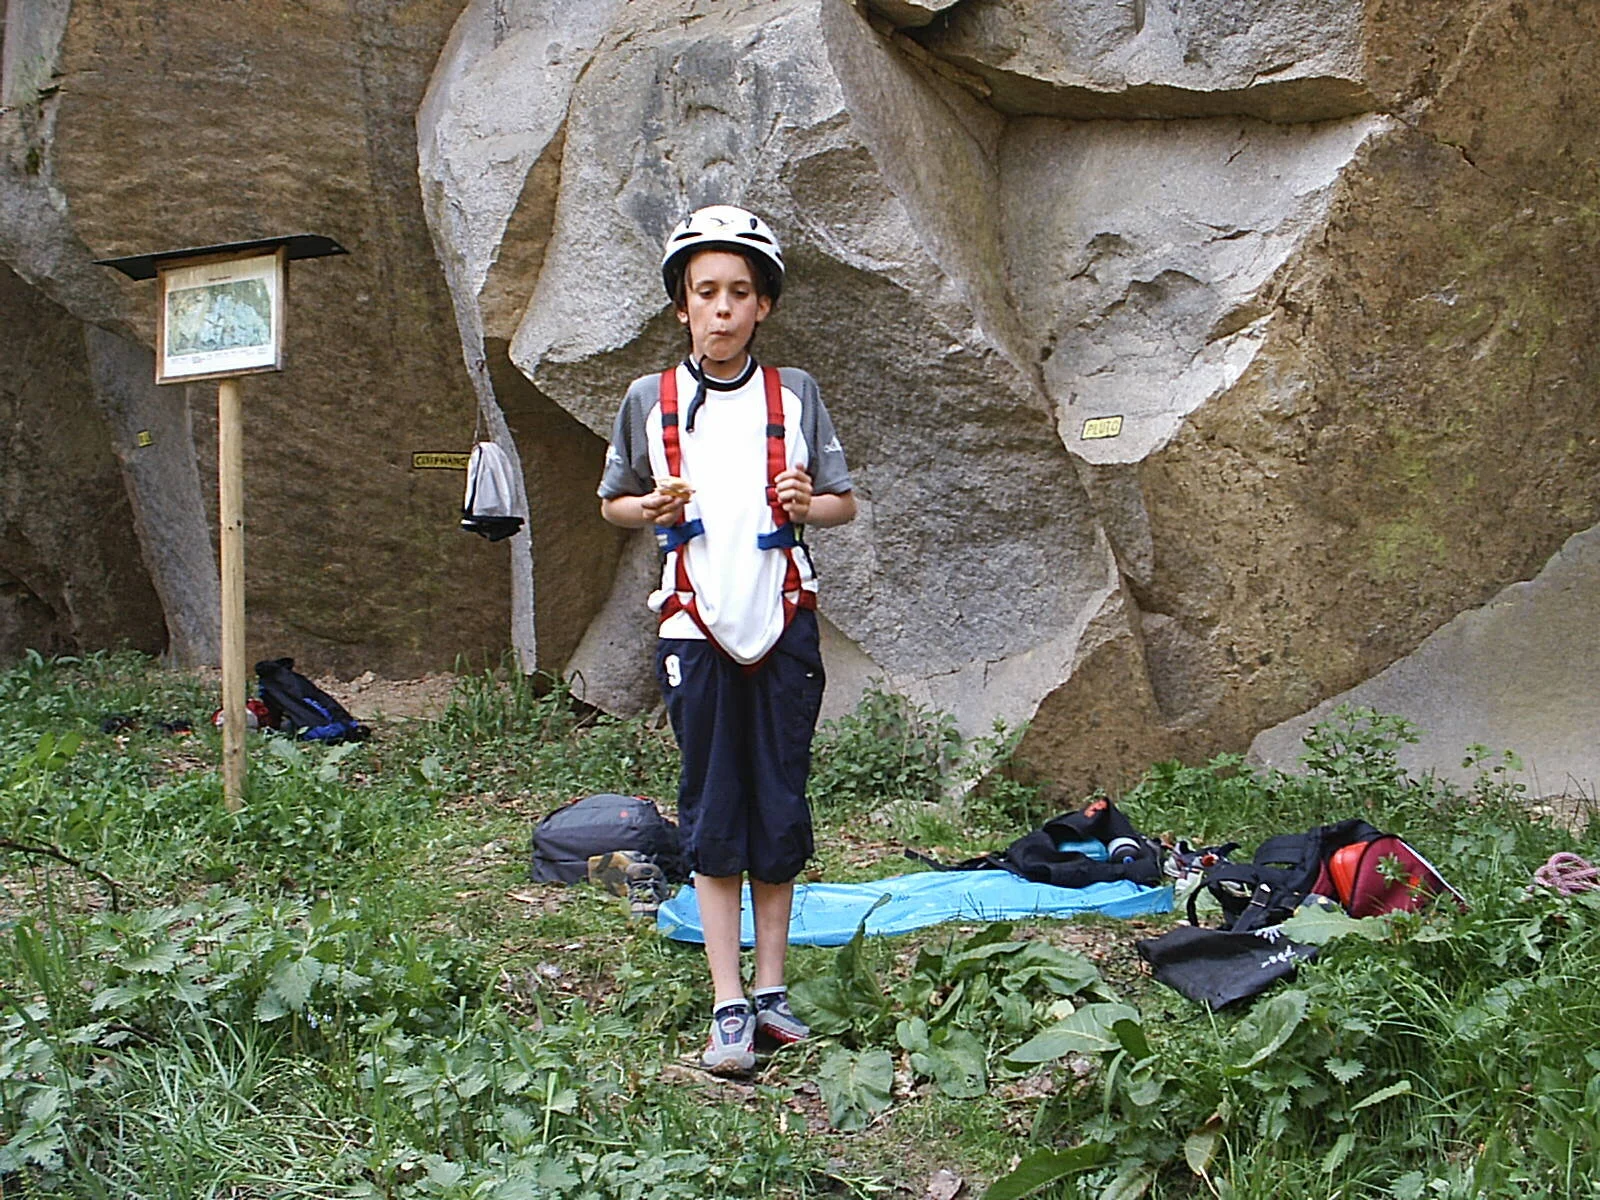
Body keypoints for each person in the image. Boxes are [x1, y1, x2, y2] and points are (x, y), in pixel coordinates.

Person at [597, 204, 857, 1075]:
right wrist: (648, 507)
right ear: (682, 305)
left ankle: (773, 989)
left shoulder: (796, 394)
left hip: (783, 619)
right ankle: (728, 1000)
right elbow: (613, 502)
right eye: (705, 291)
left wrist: (809, 504)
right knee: (712, 803)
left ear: (763, 304)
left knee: (779, 799)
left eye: (739, 292)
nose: (721, 308)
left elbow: (843, 503)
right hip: (694, 623)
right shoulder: (651, 400)